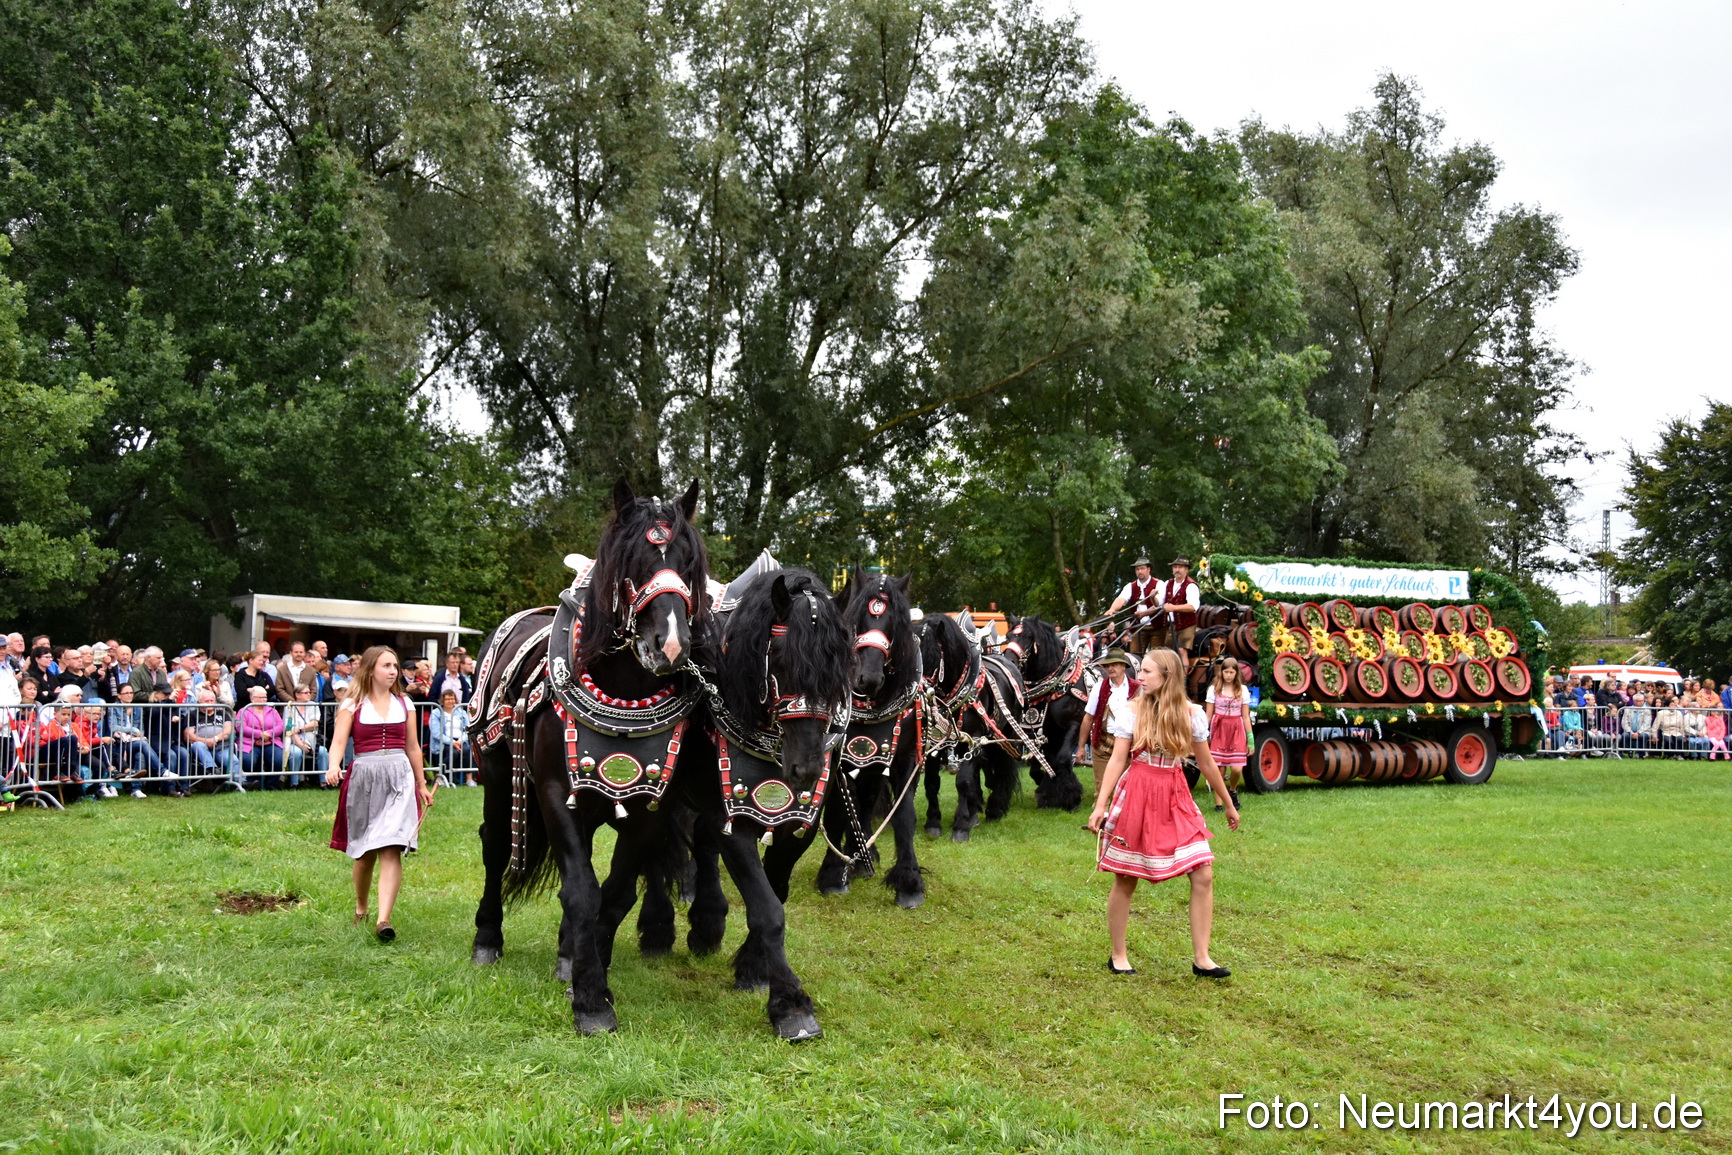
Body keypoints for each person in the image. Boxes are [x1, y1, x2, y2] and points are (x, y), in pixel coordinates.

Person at [1086, 648, 1240, 978]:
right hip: (1138, 790)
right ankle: (1118, 955)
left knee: (1203, 873)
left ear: (1167, 676)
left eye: (1146, 671)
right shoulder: (1131, 710)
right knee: (1125, 877)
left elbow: (1206, 761)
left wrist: (1228, 803)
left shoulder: (1191, 713)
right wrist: (1100, 804)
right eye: (1140, 671)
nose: (1139, 677)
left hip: (1174, 793)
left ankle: (1202, 958)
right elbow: (1118, 759)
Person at [326, 647, 434, 942]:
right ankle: (361, 907)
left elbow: (413, 747)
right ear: (371, 669)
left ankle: (383, 919)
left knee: (391, 847)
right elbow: (338, 742)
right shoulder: (352, 703)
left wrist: (421, 784)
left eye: (395, 666)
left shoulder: (405, 703)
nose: (393, 671)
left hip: (399, 776)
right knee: (365, 854)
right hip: (364, 777)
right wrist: (334, 765)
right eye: (386, 665)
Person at [1075, 649, 1138, 798]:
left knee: (1126, 792)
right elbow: (1088, 718)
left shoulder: (1136, 688)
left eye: (1114, 664)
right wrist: (1081, 747)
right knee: (1102, 790)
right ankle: (1101, 811)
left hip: (1129, 746)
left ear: (1124, 666)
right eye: (1108, 665)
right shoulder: (1099, 688)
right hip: (1103, 746)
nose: (1110, 668)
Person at [1204, 661, 1250, 808]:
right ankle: (1219, 805)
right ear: (1221, 672)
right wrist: (1203, 733)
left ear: (1236, 673)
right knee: (1220, 768)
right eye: (1226, 672)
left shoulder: (1242, 690)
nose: (1228, 675)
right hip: (1220, 729)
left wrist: (1251, 740)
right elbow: (1208, 715)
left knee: (1237, 768)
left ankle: (1232, 790)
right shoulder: (1214, 689)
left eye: (1231, 672)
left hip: (1236, 729)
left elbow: (1246, 716)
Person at [1106, 558, 1163, 654]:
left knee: (1156, 656)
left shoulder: (1159, 584)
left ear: (1148, 569)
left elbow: (1159, 605)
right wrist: (1112, 609)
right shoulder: (1130, 586)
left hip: (1157, 627)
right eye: (1137, 569)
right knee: (1134, 655)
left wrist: (1144, 612)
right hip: (1138, 627)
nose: (1139, 571)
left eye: (1142, 568)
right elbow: (1121, 599)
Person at [236, 686, 289, 788]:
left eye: (265, 697)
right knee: (248, 760)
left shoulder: (272, 711)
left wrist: (269, 734)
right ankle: (252, 784)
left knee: (278, 758)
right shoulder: (243, 711)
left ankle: (272, 785)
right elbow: (240, 727)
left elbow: (280, 726)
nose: (264, 700)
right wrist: (259, 734)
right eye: (261, 697)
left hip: (271, 741)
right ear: (253, 699)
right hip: (249, 743)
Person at [182, 688, 235, 786]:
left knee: (232, 760)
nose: (210, 703)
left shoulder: (222, 713)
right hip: (201, 748)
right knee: (197, 745)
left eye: (212, 701)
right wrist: (206, 741)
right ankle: (213, 770)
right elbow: (188, 736)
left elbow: (230, 730)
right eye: (206, 701)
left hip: (221, 747)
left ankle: (242, 782)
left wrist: (215, 739)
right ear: (199, 702)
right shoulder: (192, 715)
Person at [1152, 557, 1201, 665]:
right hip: (1172, 624)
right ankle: (1171, 674)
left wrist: (1173, 608)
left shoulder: (1191, 585)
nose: (1177, 569)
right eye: (1175, 567)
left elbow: (1193, 607)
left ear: (1186, 570)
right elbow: (1159, 603)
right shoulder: (1168, 584)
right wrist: (1152, 597)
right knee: (1168, 652)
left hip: (1187, 625)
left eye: (1180, 567)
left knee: (1182, 651)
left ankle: (1183, 676)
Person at [427, 688, 474, 784]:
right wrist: (452, 742)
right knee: (453, 753)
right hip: (444, 741)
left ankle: (469, 779)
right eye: (447, 699)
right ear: (442, 701)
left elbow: (467, 728)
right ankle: (439, 778)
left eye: (452, 699)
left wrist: (460, 741)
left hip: (460, 740)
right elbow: (436, 733)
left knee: (467, 750)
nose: (450, 701)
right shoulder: (436, 713)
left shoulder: (461, 712)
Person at [284, 683, 327, 786]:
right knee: (296, 753)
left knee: (323, 751)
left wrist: (300, 729)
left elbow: (315, 723)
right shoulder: (289, 707)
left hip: (311, 738)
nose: (309, 694)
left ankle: (324, 782)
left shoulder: (313, 705)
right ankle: (294, 783)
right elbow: (289, 728)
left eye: (309, 692)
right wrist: (299, 743)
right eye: (306, 692)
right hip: (295, 740)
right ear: (297, 695)